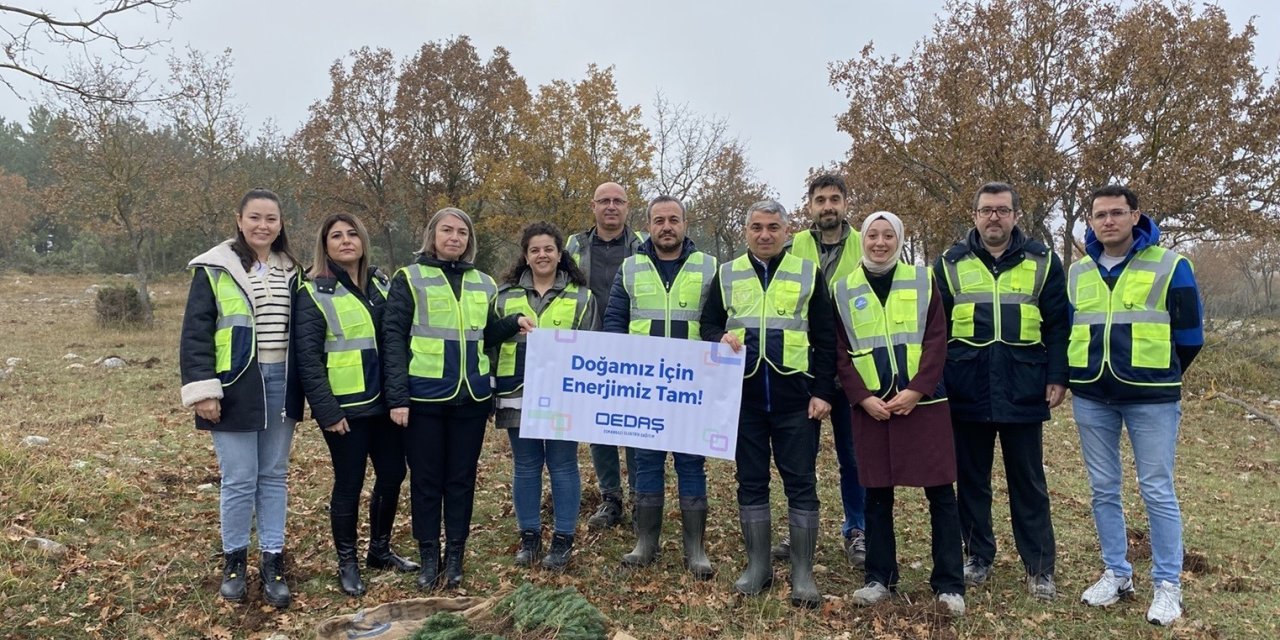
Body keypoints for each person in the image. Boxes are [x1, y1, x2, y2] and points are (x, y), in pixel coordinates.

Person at [1068, 185, 1203, 626]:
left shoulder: (1171, 265)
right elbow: (1070, 328)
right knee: (1103, 488)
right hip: (1092, 394)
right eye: (1100, 215)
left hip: (1151, 397)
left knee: (1157, 489)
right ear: (1090, 221)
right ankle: (1117, 573)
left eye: (1116, 213)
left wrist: (1158, 373)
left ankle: (1168, 585)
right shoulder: (1078, 272)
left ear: (1135, 216)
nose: (1108, 221)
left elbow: (1190, 336)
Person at [382, 207, 532, 591]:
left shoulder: (483, 282)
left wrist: (512, 322)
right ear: (432, 235)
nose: (454, 237)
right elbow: (393, 340)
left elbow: (484, 336)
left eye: (462, 232)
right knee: (426, 481)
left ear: (469, 240)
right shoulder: (409, 278)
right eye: (447, 230)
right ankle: (429, 556)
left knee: (461, 481)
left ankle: (455, 557)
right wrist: (398, 398)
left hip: (472, 399)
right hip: (424, 399)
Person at [699, 199, 834, 608]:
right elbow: (708, 323)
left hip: (797, 400)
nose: (764, 234)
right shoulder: (727, 273)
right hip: (745, 399)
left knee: (801, 483)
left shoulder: (807, 273)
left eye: (773, 227)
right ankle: (758, 566)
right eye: (757, 227)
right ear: (746, 231)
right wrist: (718, 337)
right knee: (752, 481)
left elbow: (826, 338)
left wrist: (823, 391)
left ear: (786, 231)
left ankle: (802, 573)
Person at [934, 182, 1066, 600]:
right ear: (974, 215)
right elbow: (935, 331)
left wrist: (1058, 376)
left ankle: (1040, 567)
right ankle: (978, 556)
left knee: (1028, 482)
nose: (994, 217)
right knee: (972, 481)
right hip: (966, 388)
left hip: (1023, 387)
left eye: (1003, 210)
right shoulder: (949, 263)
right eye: (987, 210)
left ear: (1015, 216)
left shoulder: (1043, 261)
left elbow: (1058, 325)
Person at [834, 211, 966, 616]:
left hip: (923, 403)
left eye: (888, 235)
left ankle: (949, 584)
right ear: (862, 240)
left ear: (899, 239)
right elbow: (838, 351)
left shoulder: (923, 280)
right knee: (876, 495)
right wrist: (861, 397)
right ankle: (879, 579)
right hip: (872, 408)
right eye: (872, 235)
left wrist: (917, 389)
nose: (879, 242)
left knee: (941, 494)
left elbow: (937, 339)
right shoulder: (843, 289)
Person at [179, 187, 303, 609]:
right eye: (255, 217)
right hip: (235, 383)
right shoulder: (215, 268)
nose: (263, 226)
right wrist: (204, 390)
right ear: (239, 220)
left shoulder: (293, 271)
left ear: (280, 224)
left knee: (273, 474)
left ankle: (273, 561)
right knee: (239, 477)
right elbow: (196, 333)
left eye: (271, 219)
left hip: (281, 381)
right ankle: (234, 562)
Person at [292, 213, 419, 598]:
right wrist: (328, 411)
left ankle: (379, 550)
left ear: (363, 240)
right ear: (325, 245)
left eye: (352, 234)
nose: (346, 241)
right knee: (349, 482)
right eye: (336, 236)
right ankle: (346, 562)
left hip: (386, 403)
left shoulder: (381, 284)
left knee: (393, 473)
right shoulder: (313, 291)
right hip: (346, 409)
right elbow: (308, 360)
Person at [603, 196, 718, 579]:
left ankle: (695, 547)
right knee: (646, 463)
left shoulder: (709, 267)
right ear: (648, 226)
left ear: (685, 224)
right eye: (658, 221)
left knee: (691, 464)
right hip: (644, 388)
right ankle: (646, 542)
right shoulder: (630, 267)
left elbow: (717, 321)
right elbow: (615, 323)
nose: (666, 227)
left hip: (691, 387)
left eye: (673, 220)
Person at [493, 222, 598, 572]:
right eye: (535, 250)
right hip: (516, 389)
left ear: (559, 253)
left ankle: (563, 540)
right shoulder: (504, 296)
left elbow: (593, 349)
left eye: (548, 249)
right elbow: (490, 343)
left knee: (563, 464)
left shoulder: (581, 297)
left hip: (563, 394)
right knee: (525, 465)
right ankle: (530, 538)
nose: (542, 255)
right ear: (525, 255)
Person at [776, 173, 868, 568]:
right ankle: (800, 527)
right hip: (804, 369)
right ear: (809, 205)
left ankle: (858, 529)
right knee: (799, 458)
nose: (827, 206)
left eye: (834, 199)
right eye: (820, 200)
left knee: (854, 457)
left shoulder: (867, 243)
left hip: (853, 368)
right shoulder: (792, 245)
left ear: (845, 203)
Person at [564, 182, 647, 530]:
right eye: (604, 201)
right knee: (599, 426)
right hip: (590, 347)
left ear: (627, 207)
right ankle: (610, 498)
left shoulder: (643, 245)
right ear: (593, 206)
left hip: (636, 348)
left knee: (638, 427)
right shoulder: (574, 246)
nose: (611, 206)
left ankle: (642, 498)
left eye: (618, 201)